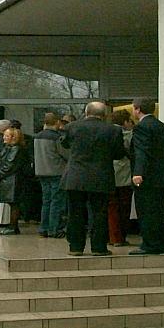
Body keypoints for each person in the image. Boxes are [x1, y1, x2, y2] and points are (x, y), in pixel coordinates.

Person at [61, 101, 125, 256]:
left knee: (75, 212)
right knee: (100, 213)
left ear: (86, 112)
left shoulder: (72, 127)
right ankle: (98, 247)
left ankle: (75, 247)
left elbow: (65, 145)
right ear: (104, 114)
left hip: (76, 176)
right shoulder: (113, 130)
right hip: (101, 177)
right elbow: (119, 153)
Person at [129, 97, 164, 256]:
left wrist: (138, 172)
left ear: (138, 109)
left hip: (147, 177)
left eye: (134, 108)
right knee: (160, 210)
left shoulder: (141, 127)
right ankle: (161, 243)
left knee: (146, 211)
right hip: (161, 176)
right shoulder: (161, 126)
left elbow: (141, 151)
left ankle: (149, 244)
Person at [0, 126, 29, 235]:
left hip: (13, 181)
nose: (4, 138)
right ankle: (12, 226)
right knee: (13, 204)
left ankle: (13, 226)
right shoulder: (9, 148)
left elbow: (9, 166)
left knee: (14, 204)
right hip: (10, 180)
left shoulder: (15, 149)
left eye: (6, 136)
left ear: (13, 137)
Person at [34, 113, 68, 238]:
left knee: (46, 201)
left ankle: (44, 227)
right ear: (57, 122)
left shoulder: (37, 136)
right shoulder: (57, 137)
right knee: (57, 202)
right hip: (56, 171)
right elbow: (65, 154)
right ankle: (54, 229)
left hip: (41, 171)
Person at [108, 110, 134, 247]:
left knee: (111, 208)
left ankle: (112, 236)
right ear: (125, 122)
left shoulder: (106, 133)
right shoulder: (130, 136)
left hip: (109, 175)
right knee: (124, 209)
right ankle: (120, 237)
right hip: (125, 176)